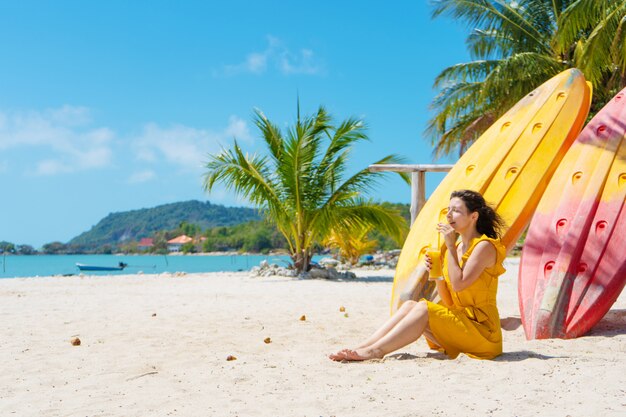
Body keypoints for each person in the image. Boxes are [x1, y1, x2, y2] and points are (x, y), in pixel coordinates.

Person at [329, 189, 507, 361]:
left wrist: (450, 247)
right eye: (449, 209)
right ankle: (363, 347)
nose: (449, 215)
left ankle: (375, 351)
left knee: (424, 308)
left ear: (474, 216)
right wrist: (436, 274)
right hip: (462, 323)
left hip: (483, 333)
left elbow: (460, 284)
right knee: (410, 306)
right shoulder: (458, 247)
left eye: (457, 210)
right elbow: (451, 301)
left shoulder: (484, 246)